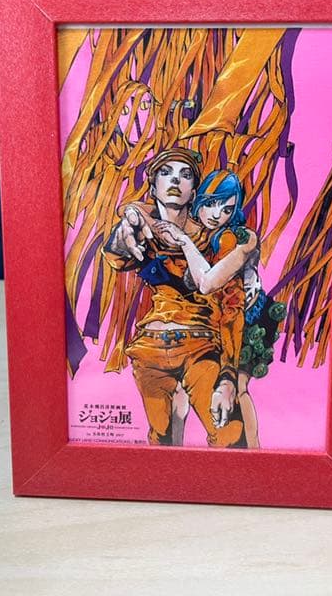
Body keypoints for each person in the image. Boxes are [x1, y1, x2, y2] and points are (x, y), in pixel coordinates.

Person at [102, 148, 245, 448]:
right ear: (153, 187)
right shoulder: (140, 230)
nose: (175, 180)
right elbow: (116, 256)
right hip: (150, 352)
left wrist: (228, 376)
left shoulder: (214, 237)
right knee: (160, 442)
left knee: (229, 435)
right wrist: (128, 219)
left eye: (185, 174)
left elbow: (232, 308)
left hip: (200, 348)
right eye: (166, 173)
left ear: (194, 192)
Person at [156, 170, 285, 449]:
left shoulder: (235, 238)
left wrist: (184, 241)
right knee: (181, 390)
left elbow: (208, 284)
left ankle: (253, 454)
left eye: (227, 209)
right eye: (212, 203)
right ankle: (171, 454)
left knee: (238, 388)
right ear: (200, 199)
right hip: (215, 319)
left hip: (246, 318)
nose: (217, 214)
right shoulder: (201, 232)